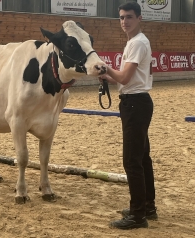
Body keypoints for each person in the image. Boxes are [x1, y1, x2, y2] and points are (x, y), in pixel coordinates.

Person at [99, 2, 157, 229]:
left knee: (132, 161)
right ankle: (147, 207)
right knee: (142, 158)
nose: (124, 22)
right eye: (122, 17)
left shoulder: (137, 43)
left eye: (129, 17)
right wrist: (108, 78)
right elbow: (126, 79)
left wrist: (104, 68)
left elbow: (123, 78)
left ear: (139, 18)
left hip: (135, 104)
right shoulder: (135, 42)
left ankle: (137, 215)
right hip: (136, 101)